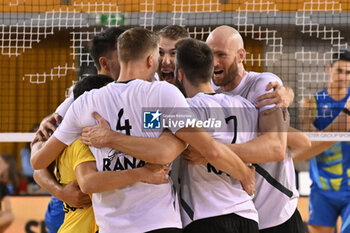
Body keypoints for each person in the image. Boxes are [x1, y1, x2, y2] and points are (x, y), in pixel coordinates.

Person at [31, 27, 255, 233]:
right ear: (151, 60)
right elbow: (201, 149)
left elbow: (38, 162)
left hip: (112, 226)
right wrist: (244, 174)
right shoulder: (161, 94)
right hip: (161, 223)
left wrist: (108, 137)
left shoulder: (87, 102)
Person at [32, 74, 169, 233]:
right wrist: (143, 173)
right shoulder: (81, 143)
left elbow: (38, 163)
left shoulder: (75, 139)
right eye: (107, 101)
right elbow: (88, 182)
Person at [203, 25, 305, 233]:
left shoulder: (262, 85)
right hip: (242, 215)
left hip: (278, 214)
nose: (214, 62)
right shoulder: (207, 92)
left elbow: (276, 148)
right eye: (209, 54)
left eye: (221, 54)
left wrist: (209, 152)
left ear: (241, 56)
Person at [32, 27, 126, 233]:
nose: (132, 61)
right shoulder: (77, 101)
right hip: (73, 204)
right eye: (125, 56)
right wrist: (62, 193)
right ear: (105, 63)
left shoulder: (138, 93)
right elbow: (38, 164)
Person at [298, 50, 350, 233]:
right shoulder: (311, 103)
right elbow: (309, 146)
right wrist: (341, 127)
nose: (343, 76)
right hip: (322, 188)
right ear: (329, 69)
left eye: (348, 72)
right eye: (339, 70)